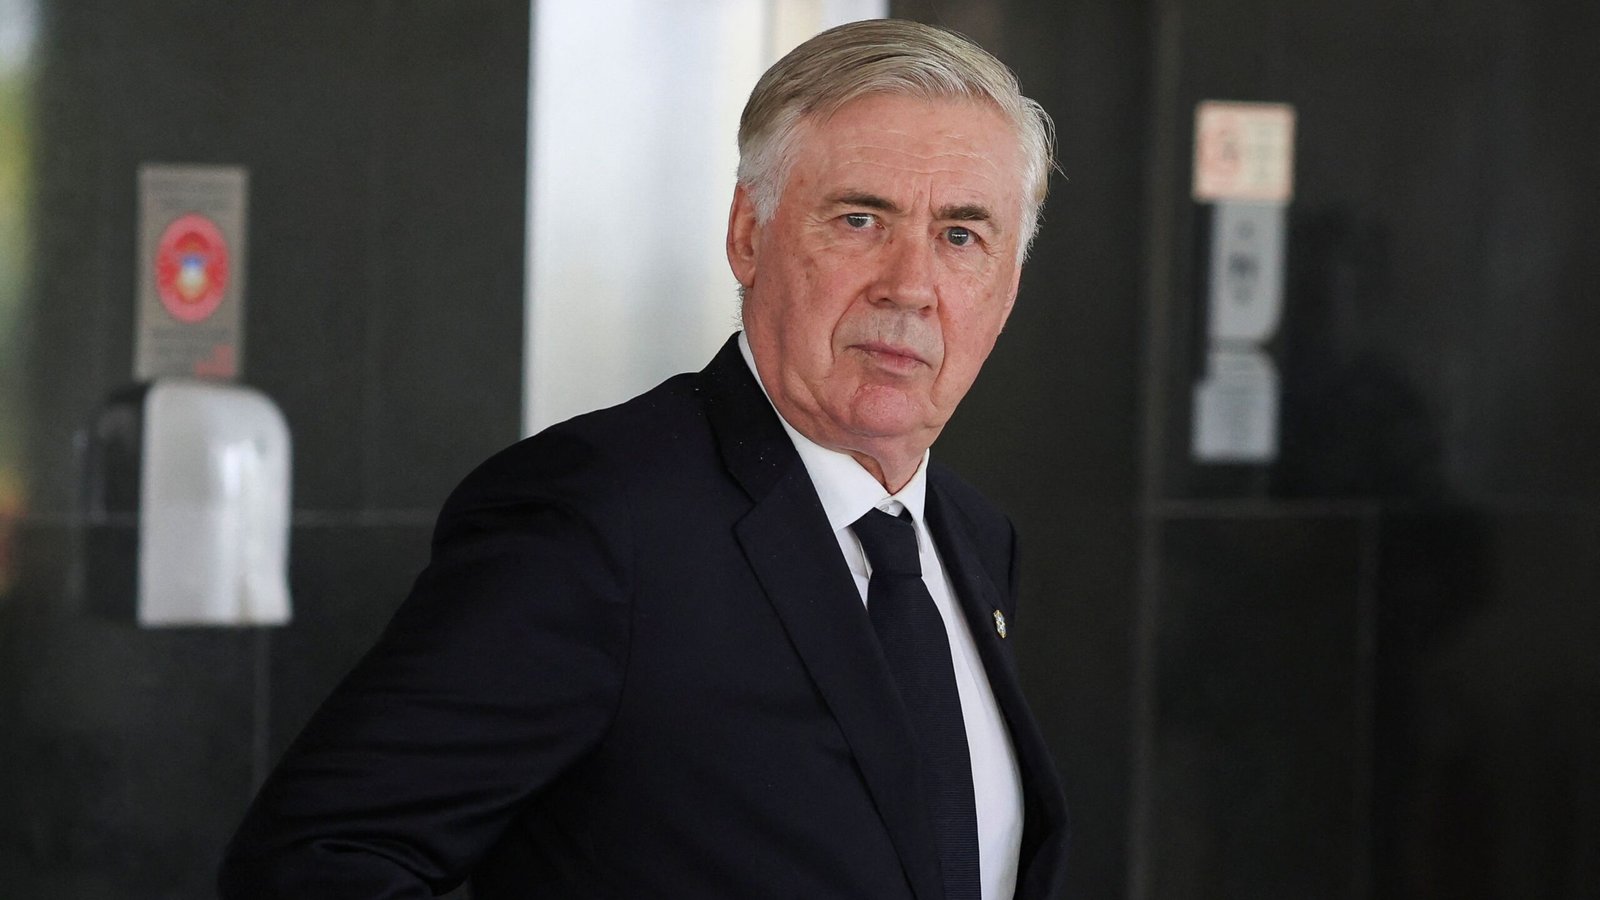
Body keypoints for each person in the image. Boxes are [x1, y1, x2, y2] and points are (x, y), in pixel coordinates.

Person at [220, 18, 1069, 900]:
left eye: (962, 237)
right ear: (748, 232)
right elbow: (317, 863)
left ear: (1005, 288)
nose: (910, 284)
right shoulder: (597, 519)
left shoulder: (973, 539)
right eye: (860, 219)